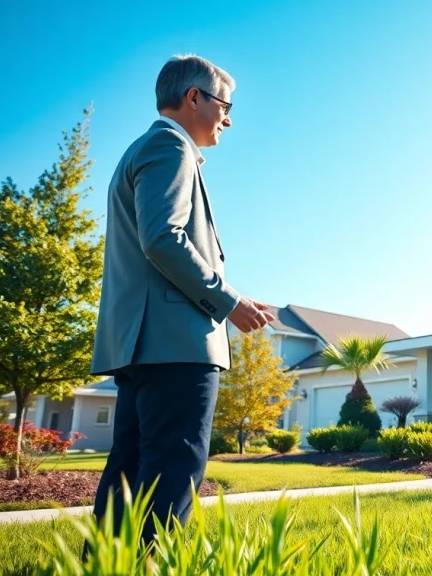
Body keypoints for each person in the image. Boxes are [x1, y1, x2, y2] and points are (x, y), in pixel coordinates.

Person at [89, 54, 274, 542]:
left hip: (142, 346)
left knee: (128, 474)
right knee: (173, 473)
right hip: (176, 346)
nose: (228, 119)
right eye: (225, 105)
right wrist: (228, 301)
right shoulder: (170, 148)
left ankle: (106, 567)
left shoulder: (145, 148)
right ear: (194, 97)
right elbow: (163, 239)